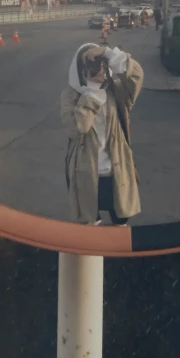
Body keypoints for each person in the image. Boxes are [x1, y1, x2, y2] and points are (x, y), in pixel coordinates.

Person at [60, 43, 143, 226]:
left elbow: (137, 75)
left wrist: (107, 52)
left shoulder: (116, 90)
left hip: (117, 171)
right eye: (89, 65)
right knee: (91, 224)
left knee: (121, 221)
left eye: (100, 63)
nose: (96, 68)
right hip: (86, 173)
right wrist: (92, 92)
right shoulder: (70, 96)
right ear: (80, 69)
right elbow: (78, 128)